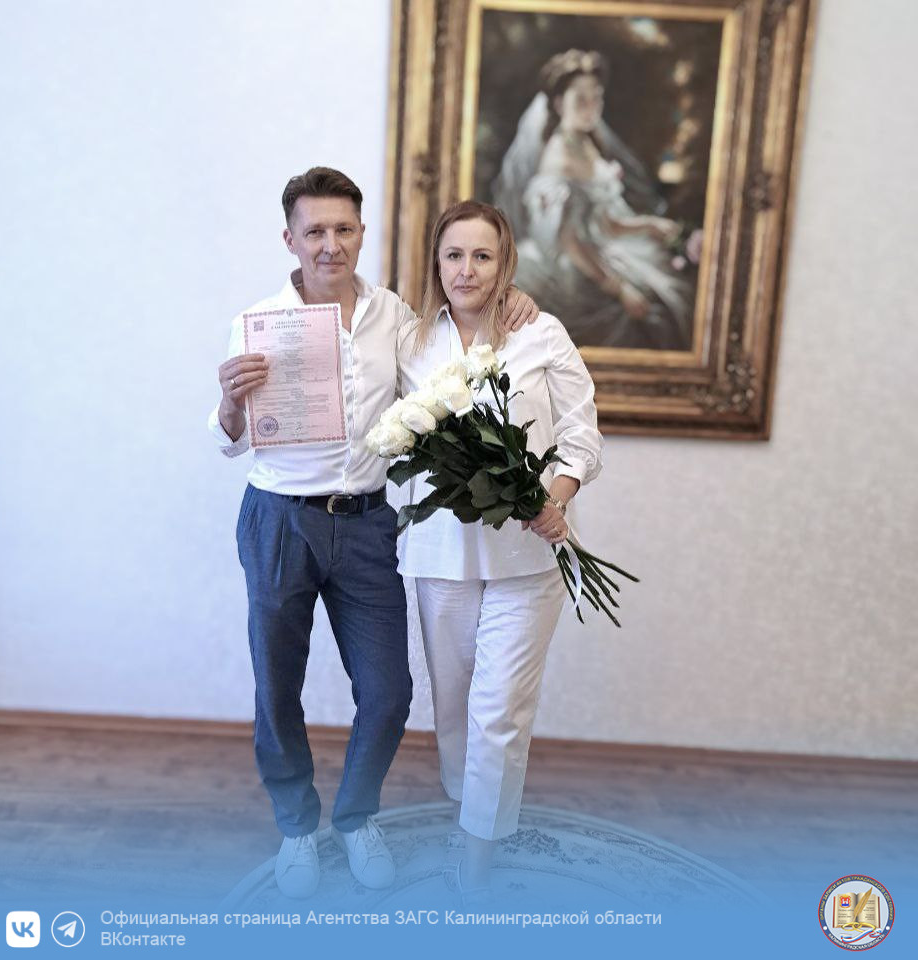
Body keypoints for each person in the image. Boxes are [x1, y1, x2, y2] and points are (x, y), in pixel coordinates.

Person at [209, 168, 537, 899]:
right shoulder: (257, 321)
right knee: (277, 687)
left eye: (343, 229)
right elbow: (231, 438)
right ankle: (297, 827)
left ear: (362, 234)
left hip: (366, 522)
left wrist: (513, 299)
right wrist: (229, 403)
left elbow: (455, 349)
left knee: (389, 692)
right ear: (290, 239)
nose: (330, 244)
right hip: (279, 520)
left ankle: (356, 818)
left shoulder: (397, 317)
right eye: (315, 232)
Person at [396, 200, 604, 903]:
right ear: (436, 262)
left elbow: (582, 435)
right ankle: (472, 809)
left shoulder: (540, 333)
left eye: (482, 256)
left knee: (499, 709)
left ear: (504, 262)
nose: (467, 270)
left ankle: (477, 857)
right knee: (454, 708)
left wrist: (556, 499)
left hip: (527, 558)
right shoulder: (411, 340)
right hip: (441, 556)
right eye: (454, 255)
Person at [494, 49, 692, 350]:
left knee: (674, 288)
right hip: (580, 267)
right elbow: (570, 242)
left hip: (602, 247)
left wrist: (648, 225)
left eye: (596, 97)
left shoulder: (584, 142)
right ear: (559, 104)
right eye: (580, 99)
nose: (591, 108)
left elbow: (606, 223)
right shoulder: (559, 159)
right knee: (660, 309)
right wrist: (620, 289)